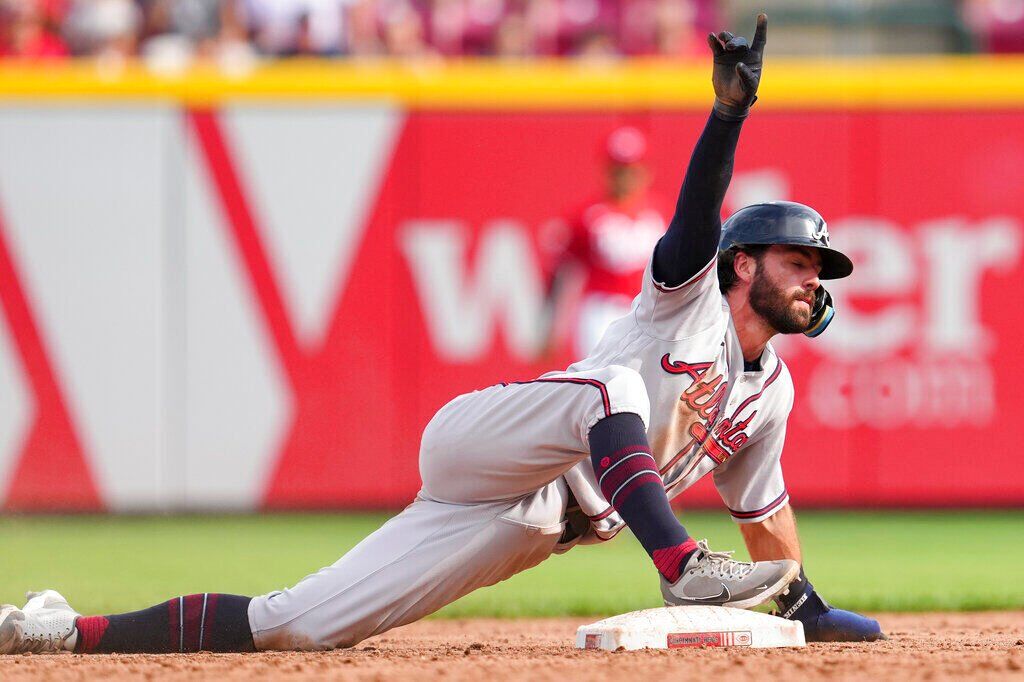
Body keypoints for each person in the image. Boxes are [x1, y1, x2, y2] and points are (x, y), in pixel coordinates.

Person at [0, 13, 884, 656]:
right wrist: (725, 119)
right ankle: (681, 561)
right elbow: (695, 221)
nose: (814, 281)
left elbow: (766, 522)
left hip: (533, 518)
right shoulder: (685, 296)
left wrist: (806, 613)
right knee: (611, 391)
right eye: (802, 263)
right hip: (486, 445)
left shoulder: (774, 392)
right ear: (744, 265)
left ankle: (61, 630)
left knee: (298, 624)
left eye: (819, 272)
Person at [544, 124, 670, 359]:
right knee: (600, 380)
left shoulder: (660, 214)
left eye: (632, 169)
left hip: (646, 309)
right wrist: (551, 326)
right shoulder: (588, 216)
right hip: (602, 311)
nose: (625, 178)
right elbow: (563, 273)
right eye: (618, 170)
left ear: (645, 170)